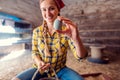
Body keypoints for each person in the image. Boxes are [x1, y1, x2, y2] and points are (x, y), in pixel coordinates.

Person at [12, 0, 88, 80]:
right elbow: (35, 52)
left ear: (58, 10)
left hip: (60, 70)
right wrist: (39, 62)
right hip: (40, 69)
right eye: (44, 9)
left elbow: (81, 57)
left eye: (51, 8)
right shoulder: (37, 32)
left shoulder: (66, 31)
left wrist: (76, 39)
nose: (48, 14)